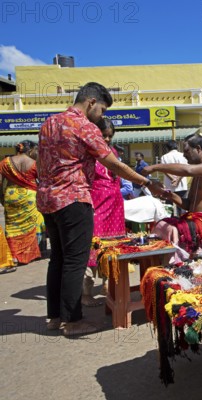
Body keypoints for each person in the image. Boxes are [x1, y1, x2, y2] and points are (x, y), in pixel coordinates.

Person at [37, 82, 165, 335]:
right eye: (103, 110)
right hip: (73, 199)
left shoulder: (49, 122)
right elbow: (113, 164)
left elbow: (41, 163)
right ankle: (72, 321)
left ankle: (54, 317)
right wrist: (147, 182)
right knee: (75, 261)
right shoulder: (84, 126)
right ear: (91, 102)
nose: (103, 116)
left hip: (48, 200)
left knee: (58, 259)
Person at [143, 134, 202, 256]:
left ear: (198, 149)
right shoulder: (199, 173)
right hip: (198, 219)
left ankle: (180, 263)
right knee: (162, 225)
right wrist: (168, 195)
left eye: (186, 151)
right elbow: (189, 205)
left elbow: (187, 170)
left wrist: (155, 167)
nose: (184, 155)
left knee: (175, 231)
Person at [83, 118, 126, 307]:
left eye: (110, 136)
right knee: (93, 247)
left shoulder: (112, 152)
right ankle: (85, 293)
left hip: (115, 206)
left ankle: (107, 285)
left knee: (111, 246)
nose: (107, 139)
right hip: (96, 205)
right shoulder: (87, 154)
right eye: (104, 135)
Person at [0, 140, 45, 265]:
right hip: (29, 197)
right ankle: (27, 256)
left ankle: (14, 256)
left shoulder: (5, 162)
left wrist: (2, 197)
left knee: (11, 227)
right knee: (30, 227)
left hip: (11, 195)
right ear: (29, 150)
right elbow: (42, 180)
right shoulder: (33, 163)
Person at [161, 140, 188, 216]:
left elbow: (164, 170)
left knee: (169, 207)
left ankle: (171, 223)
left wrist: (172, 179)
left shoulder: (164, 157)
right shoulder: (183, 155)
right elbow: (185, 169)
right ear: (177, 146)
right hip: (182, 185)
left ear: (167, 148)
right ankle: (182, 223)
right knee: (181, 205)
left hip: (169, 185)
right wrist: (177, 179)